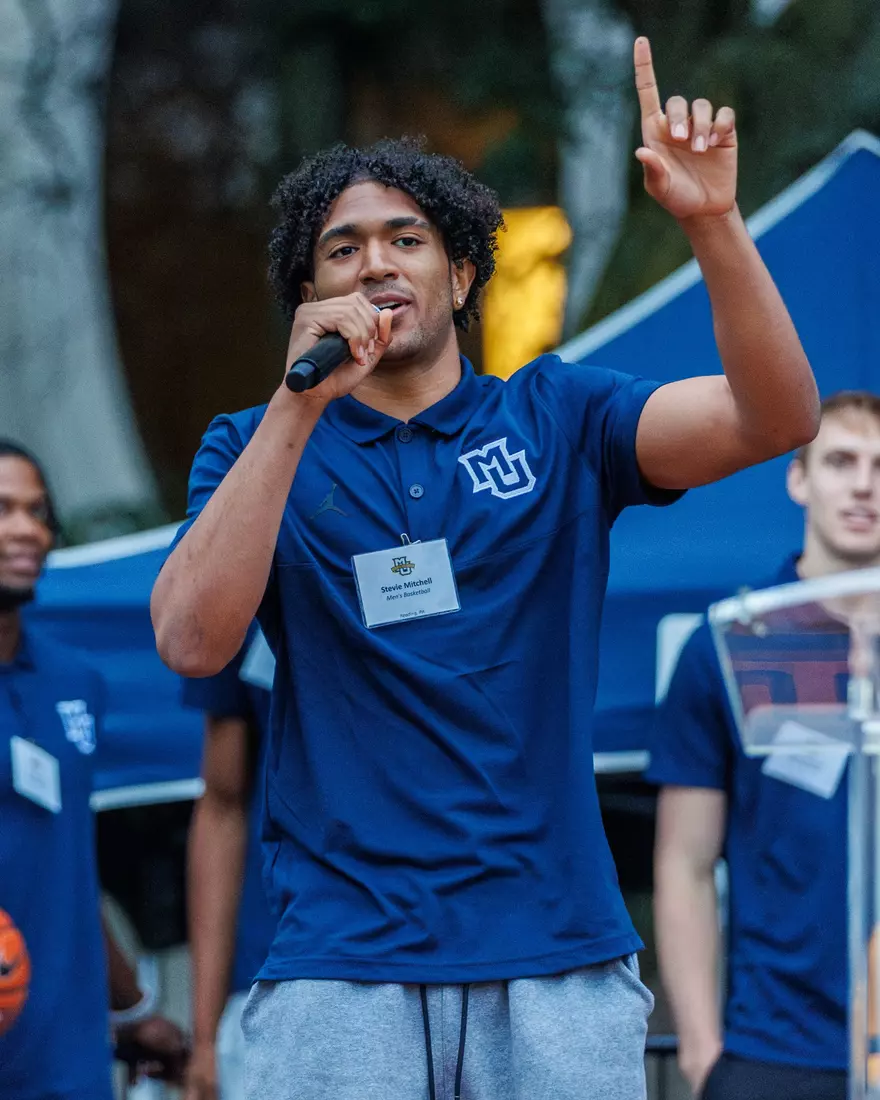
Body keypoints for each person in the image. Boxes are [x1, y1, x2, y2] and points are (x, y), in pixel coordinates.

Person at [151, 36, 819, 1100]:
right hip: (341, 961)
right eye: (341, 249)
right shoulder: (253, 444)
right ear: (306, 293)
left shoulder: (558, 414)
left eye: (405, 238)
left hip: (553, 947)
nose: (374, 262)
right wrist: (296, 401)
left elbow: (776, 416)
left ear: (459, 272)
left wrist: (710, 223)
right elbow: (190, 640)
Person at [648, 391, 880, 1100]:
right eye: (841, 461)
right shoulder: (732, 642)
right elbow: (683, 861)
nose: (865, 484)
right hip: (772, 1047)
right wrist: (700, 1050)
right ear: (799, 478)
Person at [0, 440, 189, 1099]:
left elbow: (67, 870)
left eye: (37, 510)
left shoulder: (73, 680)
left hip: (69, 1060)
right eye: (2, 510)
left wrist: (133, 1011)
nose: (26, 528)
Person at [182, 627, 276, 1100]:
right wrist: (204, 1038)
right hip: (278, 969)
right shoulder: (256, 572)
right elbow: (222, 805)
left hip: (476, 956)